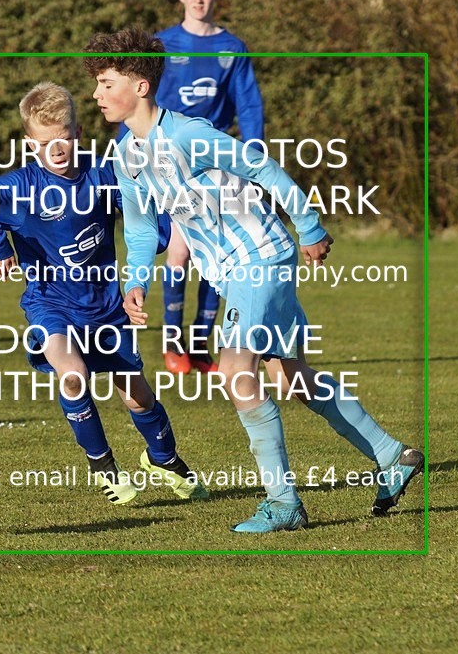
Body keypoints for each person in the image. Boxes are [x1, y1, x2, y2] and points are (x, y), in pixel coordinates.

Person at [83, 28, 424, 532]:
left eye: (106, 83)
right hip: (240, 270)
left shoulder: (186, 135)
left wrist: (308, 225)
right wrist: (135, 283)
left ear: (139, 86)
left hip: (258, 258)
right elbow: (136, 230)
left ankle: (284, 504)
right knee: (291, 379)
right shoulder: (126, 158)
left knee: (234, 371)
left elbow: (260, 166)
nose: (96, 94)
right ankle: (391, 455)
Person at [0, 81, 208, 506]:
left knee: (138, 397)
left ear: (78, 132)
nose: (57, 148)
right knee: (73, 373)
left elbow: (145, 212)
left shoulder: (103, 174)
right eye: (46, 142)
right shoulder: (18, 187)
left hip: (105, 307)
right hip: (51, 303)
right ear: (30, 144)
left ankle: (165, 459)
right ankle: (103, 467)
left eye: (64, 137)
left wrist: (163, 236)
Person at [155, 0, 265, 375]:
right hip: (171, 159)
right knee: (181, 250)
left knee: (217, 256)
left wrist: (253, 158)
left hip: (216, 162)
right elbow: (140, 102)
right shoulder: (162, 44)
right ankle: (171, 344)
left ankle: (199, 346)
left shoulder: (232, 48)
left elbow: (249, 106)